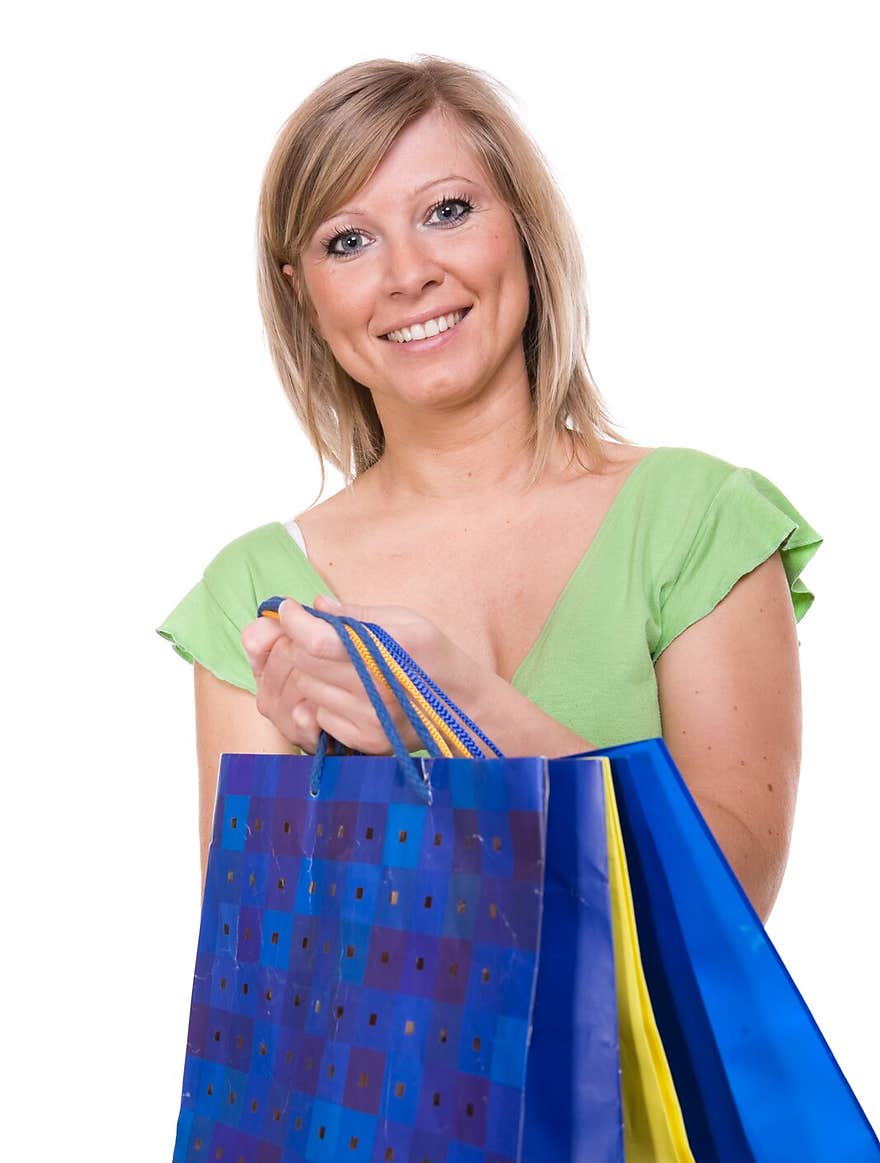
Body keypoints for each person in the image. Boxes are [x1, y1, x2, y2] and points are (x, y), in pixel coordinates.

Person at [157, 55, 822, 925]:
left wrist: (459, 708)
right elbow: (279, 979)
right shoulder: (256, 592)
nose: (408, 274)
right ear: (304, 293)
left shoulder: (695, 522)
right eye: (347, 240)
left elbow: (730, 902)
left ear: (522, 227)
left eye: (448, 211)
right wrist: (338, 759)